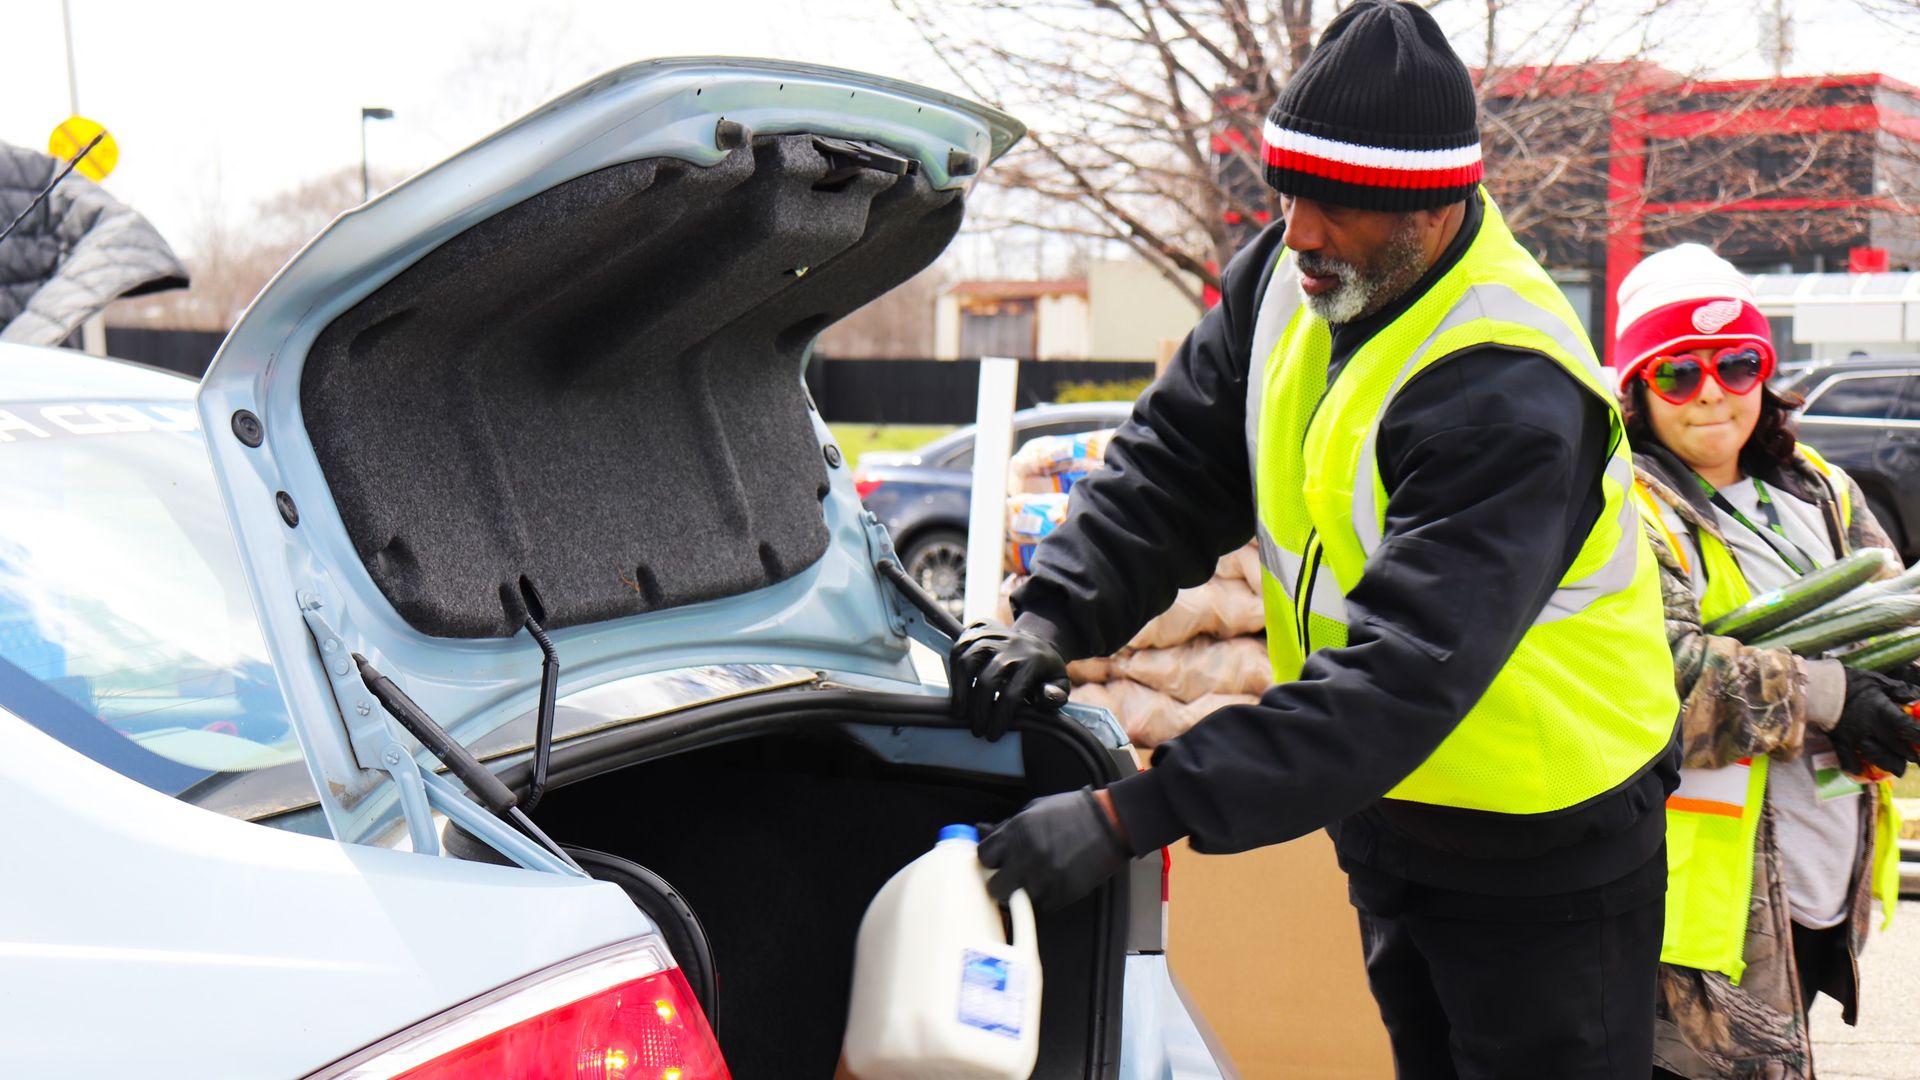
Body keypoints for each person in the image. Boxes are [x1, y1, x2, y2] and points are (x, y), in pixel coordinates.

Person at [949, 2, 1683, 1075]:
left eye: (1334, 204)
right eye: (1286, 191)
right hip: (1394, 821)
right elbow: (1172, 465)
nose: (1298, 230)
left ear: (1433, 209)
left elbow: (1399, 678)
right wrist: (1052, 618)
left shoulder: (1508, 386)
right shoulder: (1292, 278)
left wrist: (1128, 816)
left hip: (1545, 851)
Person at [1609, 245, 1919, 1079]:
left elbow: (1896, 611)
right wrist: (1829, 694)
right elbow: (1653, 677)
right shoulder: (1623, 506)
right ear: (1637, 387)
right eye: (1677, 372)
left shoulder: (1818, 486)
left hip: (1817, 882)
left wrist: (1897, 700)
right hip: (1706, 909)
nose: (1711, 390)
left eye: (1737, 364)